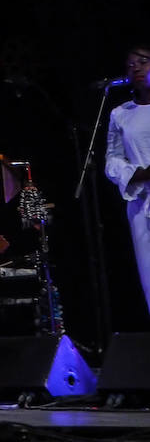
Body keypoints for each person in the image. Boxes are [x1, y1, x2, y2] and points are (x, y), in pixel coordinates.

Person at [106, 42, 150, 318]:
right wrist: (138, 173)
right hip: (141, 201)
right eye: (130, 64)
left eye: (142, 61)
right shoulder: (121, 113)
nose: (135, 67)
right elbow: (112, 160)